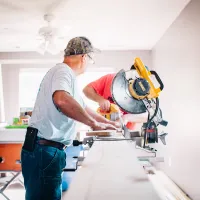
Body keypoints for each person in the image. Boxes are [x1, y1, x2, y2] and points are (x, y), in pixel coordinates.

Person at [21, 36, 119, 200]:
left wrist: (107, 123)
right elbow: (61, 100)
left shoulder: (66, 76)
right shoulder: (63, 71)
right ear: (84, 57)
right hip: (44, 150)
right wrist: (93, 124)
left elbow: (84, 107)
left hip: (45, 149)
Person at [83, 65, 148, 130]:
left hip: (126, 132)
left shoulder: (145, 93)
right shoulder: (111, 79)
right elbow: (87, 89)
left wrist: (126, 118)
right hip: (103, 127)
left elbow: (147, 115)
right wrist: (100, 99)